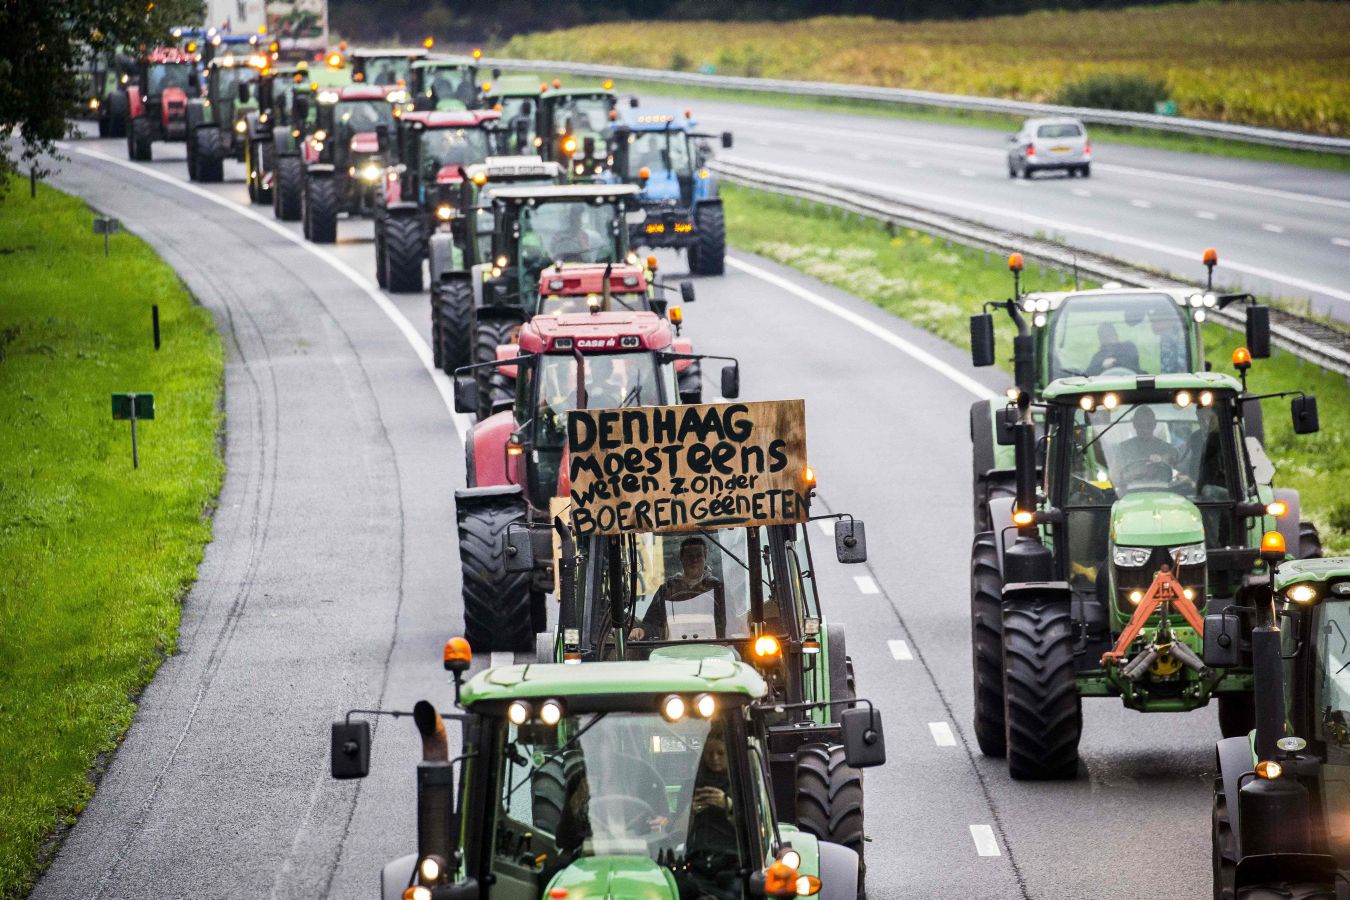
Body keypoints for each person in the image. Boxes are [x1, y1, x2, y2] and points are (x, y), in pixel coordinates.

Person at [629, 538, 725, 641]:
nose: (694, 560)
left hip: (714, 648)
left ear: (705, 558)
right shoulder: (666, 589)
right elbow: (651, 623)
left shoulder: (718, 588)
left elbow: (729, 623)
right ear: (681, 559)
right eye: (689, 556)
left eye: (699, 555)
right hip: (672, 649)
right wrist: (641, 630)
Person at [1115, 406, 1178, 483]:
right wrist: (1138, 472)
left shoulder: (1166, 448)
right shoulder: (1123, 448)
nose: (1144, 429)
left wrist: (1162, 459)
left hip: (1161, 491)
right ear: (1134, 424)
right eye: (1140, 425)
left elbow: (1174, 460)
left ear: (1155, 424)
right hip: (1131, 492)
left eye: (1149, 425)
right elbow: (1116, 477)